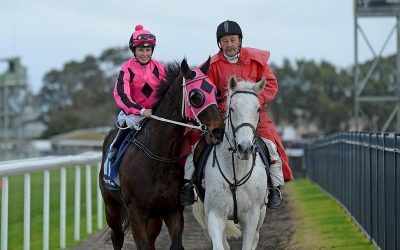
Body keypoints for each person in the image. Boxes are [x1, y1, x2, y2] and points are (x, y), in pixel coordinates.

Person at [180, 20, 293, 209]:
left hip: (253, 114)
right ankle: (188, 185)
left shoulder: (257, 60)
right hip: (223, 115)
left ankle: (274, 187)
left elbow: (271, 85)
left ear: (240, 41)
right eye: (225, 41)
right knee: (195, 145)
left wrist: (254, 102)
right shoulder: (212, 65)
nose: (229, 45)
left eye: (233, 40)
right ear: (219, 44)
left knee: (271, 144)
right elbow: (202, 90)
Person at [108, 24, 166, 161]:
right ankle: (115, 149)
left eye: (148, 50)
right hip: (134, 113)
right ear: (134, 50)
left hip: (156, 112)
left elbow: (167, 90)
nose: (145, 54)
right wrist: (141, 111)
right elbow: (122, 96)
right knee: (129, 123)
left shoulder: (160, 68)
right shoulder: (126, 70)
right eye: (141, 50)